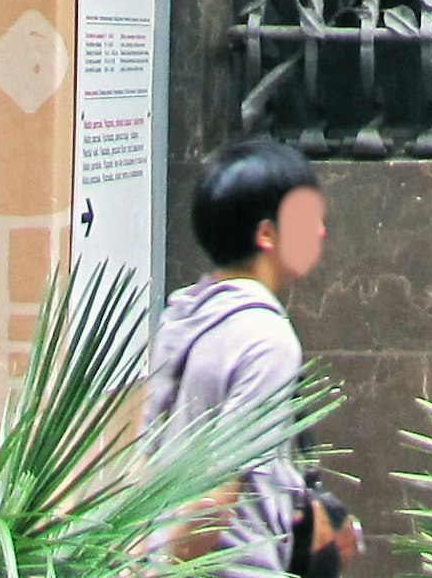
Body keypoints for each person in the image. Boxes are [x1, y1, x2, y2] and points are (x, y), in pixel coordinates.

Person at [148, 139, 360, 574]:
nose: (320, 231)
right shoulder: (266, 338)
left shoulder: (183, 314)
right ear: (266, 234)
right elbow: (218, 496)